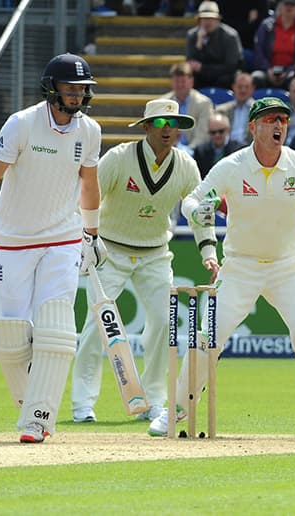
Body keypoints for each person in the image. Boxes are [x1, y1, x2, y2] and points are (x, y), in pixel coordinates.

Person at [149, 97, 295, 439]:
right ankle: (176, 409)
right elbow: (193, 198)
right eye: (270, 120)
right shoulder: (232, 166)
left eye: (283, 119)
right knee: (206, 339)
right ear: (253, 127)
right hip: (240, 267)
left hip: (289, 266)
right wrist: (197, 210)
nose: (278, 126)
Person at [72, 99, 213, 425]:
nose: (168, 131)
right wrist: (84, 240)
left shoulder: (186, 166)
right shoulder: (120, 159)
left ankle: (154, 401)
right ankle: (82, 405)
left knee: (165, 322)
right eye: (161, 124)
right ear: (147, 127)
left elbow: (198, 212)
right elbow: (86, 195)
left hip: (154, 254)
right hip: (110, 251)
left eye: (173, 124)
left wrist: (208, 252)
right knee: (97, 327)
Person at [0, 53, 104, 442]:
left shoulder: (90, 131)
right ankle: (29, 406)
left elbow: (89, 183)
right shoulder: (21, 123)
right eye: (71, 88)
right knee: (11, 334)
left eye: (82, 89)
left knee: (56, 327)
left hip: (62, 237)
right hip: (13, 240)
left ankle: (39, 419)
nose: (77, 95)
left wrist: (92, 233)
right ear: (52, 87)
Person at [251, 0, 295, 89]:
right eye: (286, 3)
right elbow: (258, 51)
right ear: (280, 6)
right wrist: (268, 70)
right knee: (256, 77)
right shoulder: (266, 26)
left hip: (292, 72)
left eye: (293, 4)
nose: (289, 7)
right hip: (267, 71)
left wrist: (288, 71)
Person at [186, 1, 243, 89]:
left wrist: (203, 68)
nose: (208, 22)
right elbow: (190, 62)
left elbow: (231, 66)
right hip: (202, 75)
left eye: (211, 19)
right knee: (188, 77)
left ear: (217, 20)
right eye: (204, 19)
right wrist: (198, 44)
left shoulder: (230, 36)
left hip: (224, 75)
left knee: (229, 78)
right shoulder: (192, 35)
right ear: (199, 21)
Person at [160, 62, 214, 152]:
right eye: (177, 81)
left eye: (183, 82)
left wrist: (188, 152)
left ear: (191, 81)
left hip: (195, 152)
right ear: (172, 82)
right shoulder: (162, 102)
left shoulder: (204, 103)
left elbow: (203, 135)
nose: (180, 85)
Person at [193, 113, 244, 178]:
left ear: (228, 130)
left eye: (221, 131)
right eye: (213, 132)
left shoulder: (239, 150)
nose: (217, 135)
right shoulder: (200, 152)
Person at [215, 71, 255, 147]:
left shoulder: (259, 111)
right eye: (240, 87)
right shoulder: (221, 110)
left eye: (246, 87)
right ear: (233, 87)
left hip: (250, 149)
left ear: (252, 89)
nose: (243, 90)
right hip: (227, 150)